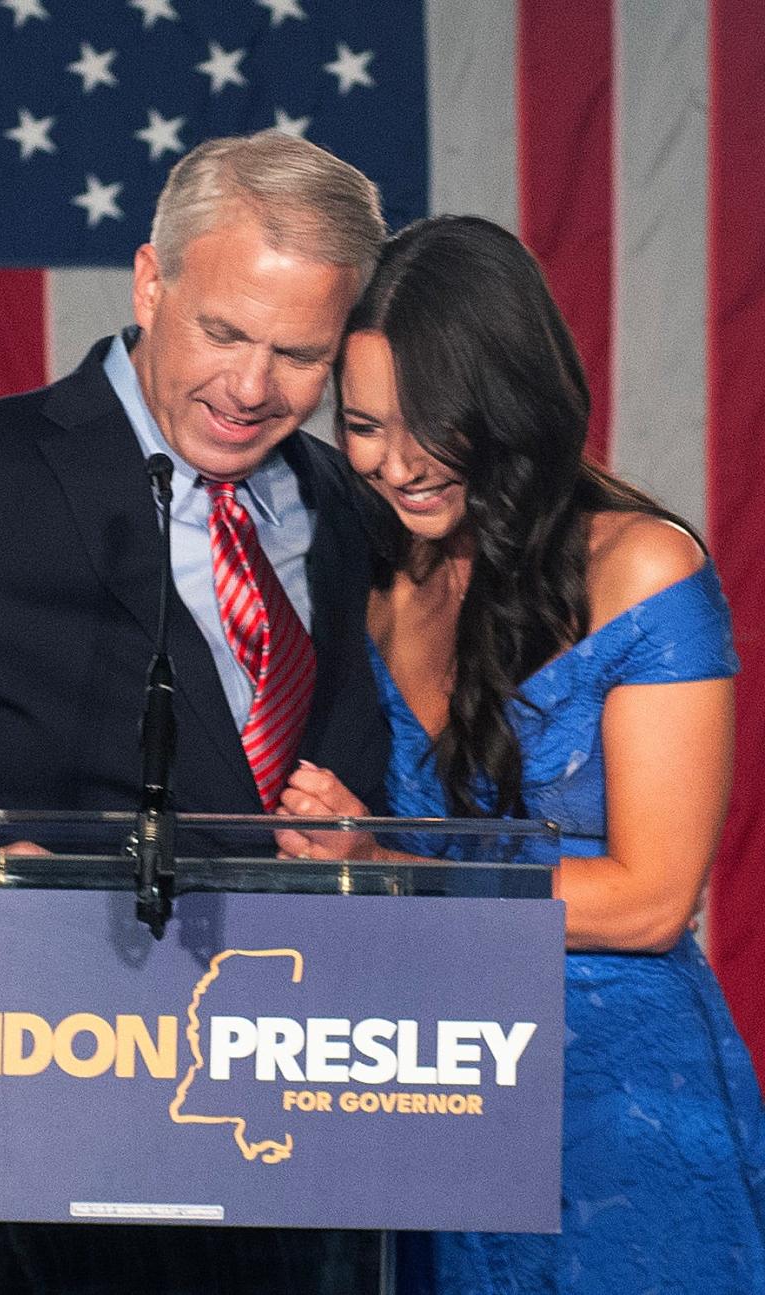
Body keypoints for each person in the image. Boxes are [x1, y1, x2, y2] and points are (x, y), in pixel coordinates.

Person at [0, 132, 390, 1292]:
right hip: (1, 1166)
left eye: (299, 355)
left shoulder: (338, 504)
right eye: (225, 332)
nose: (252, 388)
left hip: (278, 1163)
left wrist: (364, 856)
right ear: (150, 281)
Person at [277, 214, 765, 1292]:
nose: (393, 462)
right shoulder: (373, 581)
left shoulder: (640, 565)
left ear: (507, 403)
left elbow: (651, 896)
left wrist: (390, 861)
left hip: (617, 1104)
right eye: (362, 425)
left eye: (429, 424)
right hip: (426, 1085)